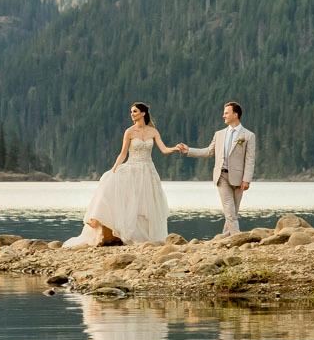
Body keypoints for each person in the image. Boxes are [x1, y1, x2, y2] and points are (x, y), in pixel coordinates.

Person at [63, 102, 175, 247]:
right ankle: (97, 218)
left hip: (148, 171)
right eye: (131, 112)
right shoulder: (129, 132)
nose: (132, 114)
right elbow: (123, 154)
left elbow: (164, 149)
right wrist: (114, 169)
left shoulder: (153, 132)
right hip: (132, 168)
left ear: (143, 113)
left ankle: (145, 236)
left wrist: (175, 148)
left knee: (145, 203)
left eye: (134, 111)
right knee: (110, 183)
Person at [176, 102, 257, 237]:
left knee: (233, 212)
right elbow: (208, 152)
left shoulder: (248, 135)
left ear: (235, 115)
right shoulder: (219, 134)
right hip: (222, 177)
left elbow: (250, 160)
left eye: (226, 113)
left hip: (239, 178)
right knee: (230, 211)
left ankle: (225, 237)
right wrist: (188, 150)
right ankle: (238, 238)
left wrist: (247, 180)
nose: (223, 115)